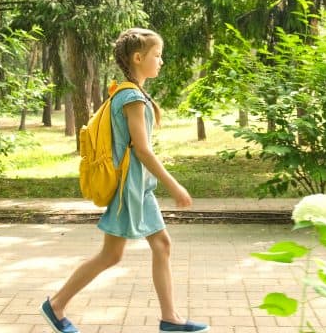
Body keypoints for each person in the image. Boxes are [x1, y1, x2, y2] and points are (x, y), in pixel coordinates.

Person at [40, 28, 210, 333]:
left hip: (138, 188)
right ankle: (56, 305)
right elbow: (142, 150)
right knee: (113, 254)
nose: (161, 61)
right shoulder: (131, 97)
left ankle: (170, 318)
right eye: (157, 55)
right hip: (129, 189)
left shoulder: (130, 93)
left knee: (159, 245)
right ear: (137, 57)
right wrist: (174, 185)